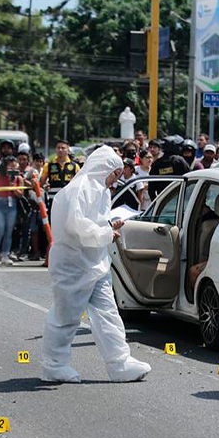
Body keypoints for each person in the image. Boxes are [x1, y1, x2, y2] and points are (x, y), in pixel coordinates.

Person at [41, 145, 152, 383]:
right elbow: (76, 226)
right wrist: (106, 233)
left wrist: (109, 228)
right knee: (66, 316)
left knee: (108, 313)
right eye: (115, 173)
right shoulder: (80, 189)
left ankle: (119, 363)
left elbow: (94, 223)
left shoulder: (100, 190)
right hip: (73, 264)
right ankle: (53, 365)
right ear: (103, 167)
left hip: (94, 262)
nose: (115, 180)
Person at [0, 156, 24, 266]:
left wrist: (13, 186)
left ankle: (5, 255)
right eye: (10, 167)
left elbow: (20, 194)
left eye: (14, 167)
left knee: (9, 231)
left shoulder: (18, 178)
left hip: (12, 204)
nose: (13, 169)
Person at [40, 140, 80, 212]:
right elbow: (41, 183)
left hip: (69, 200)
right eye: (58, 148)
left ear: (68, 150)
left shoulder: (75, 166)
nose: (60, 150)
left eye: (63, 148)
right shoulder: (48, 165)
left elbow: (79, 184)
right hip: (54, 200)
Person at [148, 135, 189, 200]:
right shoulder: (180, 161)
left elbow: (151, 190)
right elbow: (189, 179)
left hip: (163, 201)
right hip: (179, 199)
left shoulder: (156, 164)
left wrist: (157, 204)